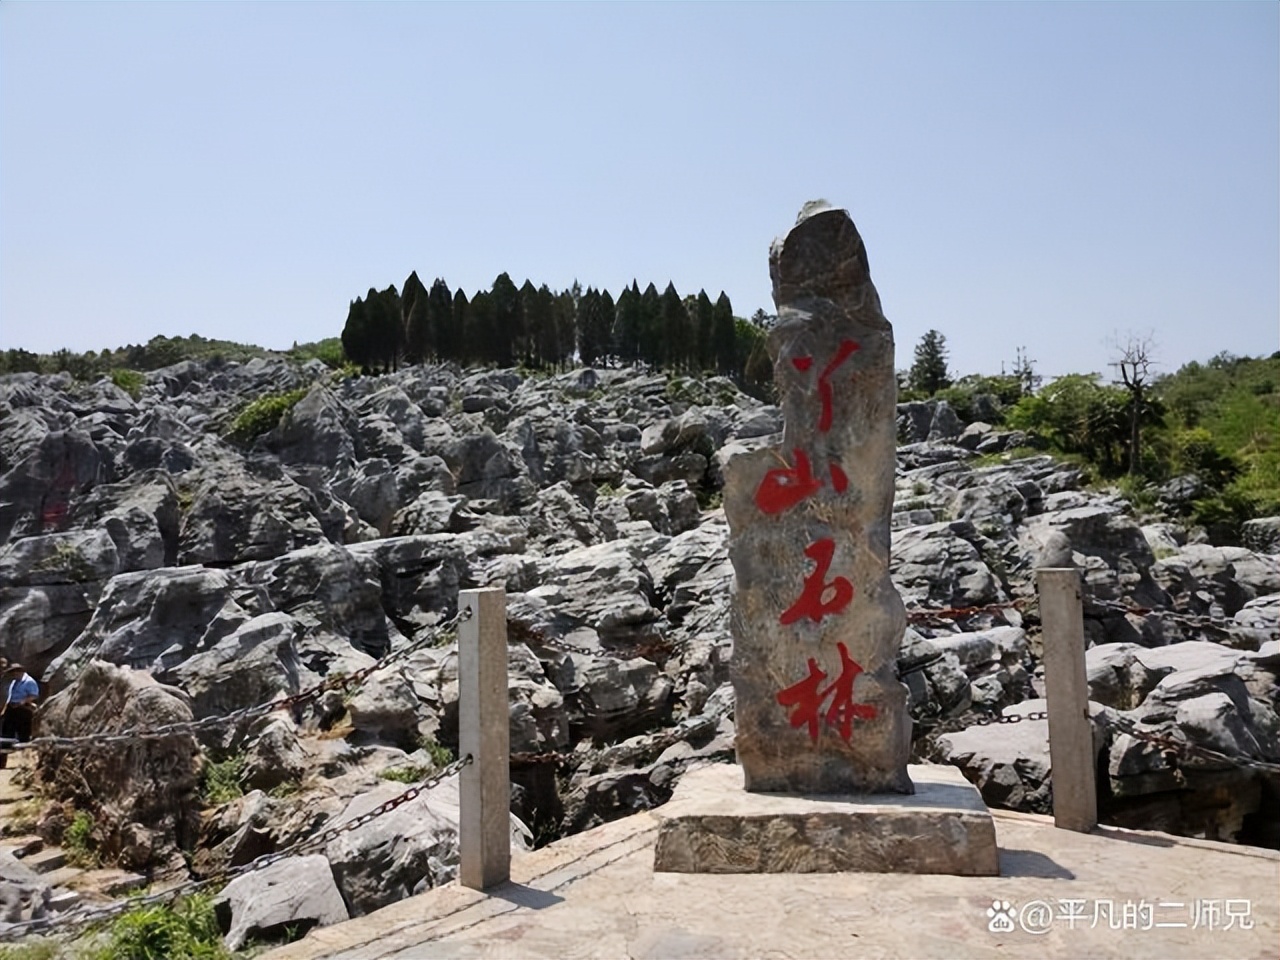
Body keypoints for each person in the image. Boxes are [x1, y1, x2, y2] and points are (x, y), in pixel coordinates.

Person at [0, 663, 39, 770]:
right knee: (6, 734)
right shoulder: (14, 682)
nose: (13, 674)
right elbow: (9, 696)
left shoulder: (29, 682)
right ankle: (2, 763)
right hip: (11, 708)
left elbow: (34, 695)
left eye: (14, 672)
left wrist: (22, 702)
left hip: (23, 709)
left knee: (24, 735)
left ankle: (24, 763)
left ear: (20, 671)